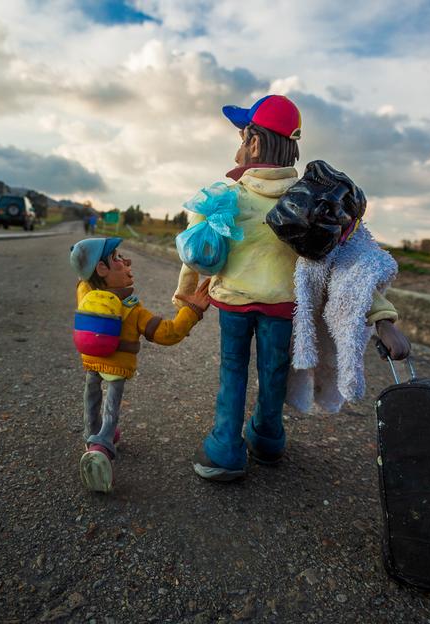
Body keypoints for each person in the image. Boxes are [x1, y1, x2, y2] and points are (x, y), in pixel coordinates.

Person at [172, 94, 410, 482]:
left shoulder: (224, 195)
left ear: (253, 141)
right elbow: (355, 263)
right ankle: (267, 437)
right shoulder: (314, 201)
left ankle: (225, 449)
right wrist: (382, 316)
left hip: (233, 304)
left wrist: (185, 294)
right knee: (273, 372)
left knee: (232, 370)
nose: (238, 143)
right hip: (284, 307)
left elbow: (194, 252)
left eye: (241, 134)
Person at [70, 237, 211, 492]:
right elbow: (167, 333)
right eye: (117, 259)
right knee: (111, 407)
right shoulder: (132, 311)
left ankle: (91, 434)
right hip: (117, 367)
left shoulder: (85, 292)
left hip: (90, 360)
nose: (127, 262)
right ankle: (102, 445)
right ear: (101, 270)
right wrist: (192, 310)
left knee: (91, 396)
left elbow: (83, 278)